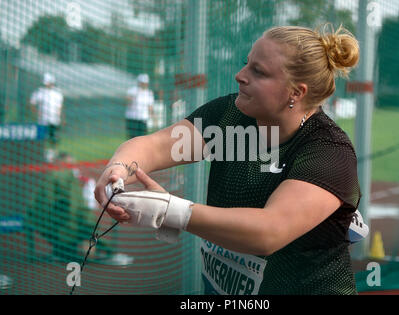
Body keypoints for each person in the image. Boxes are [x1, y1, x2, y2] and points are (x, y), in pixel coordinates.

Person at [95, 25, 367, 294]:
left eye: (258, 72)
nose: (240, 75)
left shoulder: (329, 150)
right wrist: (118, 167)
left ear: (296, 92)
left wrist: (172, 211)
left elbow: (268, 231)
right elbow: (154, 147)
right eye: (246, 64)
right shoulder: (230, 116)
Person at [30, 73, 64, 162]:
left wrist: (59, 117)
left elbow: (59, 107)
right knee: (43, 139)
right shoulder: (40, 92)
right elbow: (32, 103)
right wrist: (37, 113)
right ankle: (43, 156)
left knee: (54, 139)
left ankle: (54, 155)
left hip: (54, 120)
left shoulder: (57, 93)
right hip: (43, 121)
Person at [125, 74, 156, 139]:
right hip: (132, 119)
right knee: (132, 139)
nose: (144, 84)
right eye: (143, 83)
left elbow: (150, 106)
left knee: (142, 138)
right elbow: (127, 101)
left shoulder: (149, 93)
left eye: (145, 83)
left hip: (143, 119)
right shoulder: (133, 90)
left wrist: (153, 117)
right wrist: (131, 98)